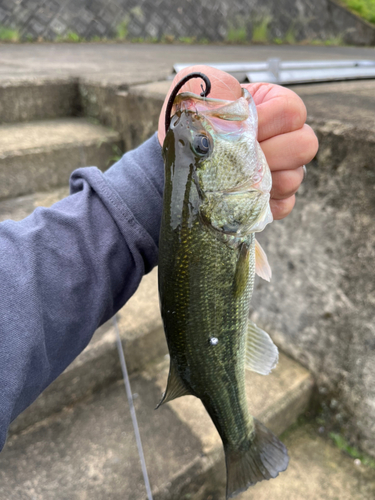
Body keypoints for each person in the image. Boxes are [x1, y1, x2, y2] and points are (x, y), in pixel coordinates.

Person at [0, 66, 318, 452]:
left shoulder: (216, 216)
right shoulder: (220, 220)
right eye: (202, 146)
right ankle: (243, 442)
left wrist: (157, 171)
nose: (197, 142)